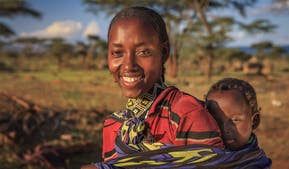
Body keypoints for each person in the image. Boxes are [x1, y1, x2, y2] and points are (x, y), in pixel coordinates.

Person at [81, 6, 224, 169]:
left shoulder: (186, 114)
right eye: (117, 53)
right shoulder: (113, 125)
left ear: (164, 52)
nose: (128, 65)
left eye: (143, 52)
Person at [82, 77, 271, 169]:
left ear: (255, 121)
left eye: (235, 120)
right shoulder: (192, 150)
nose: (224, 129)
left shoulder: (255, 162)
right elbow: (162, 159)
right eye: (215, 120)